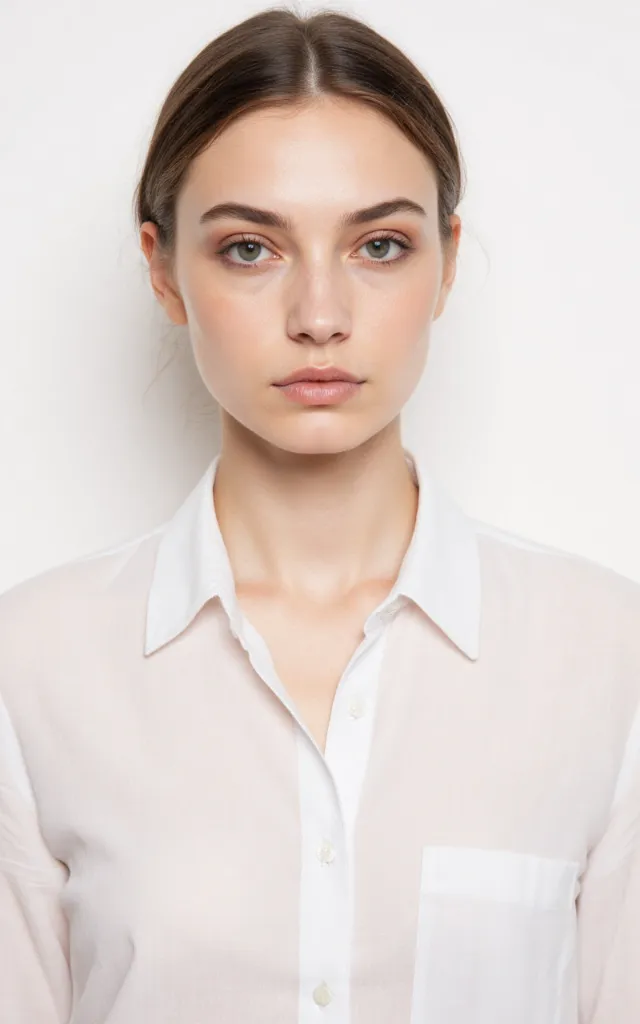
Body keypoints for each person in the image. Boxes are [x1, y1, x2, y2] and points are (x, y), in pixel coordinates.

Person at [1, 6, 639, 1023]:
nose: (319, 315)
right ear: (163, 269)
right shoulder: (31, 667)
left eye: (379, 244)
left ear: (445, 259)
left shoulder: (606, 657)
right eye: (250, 248)